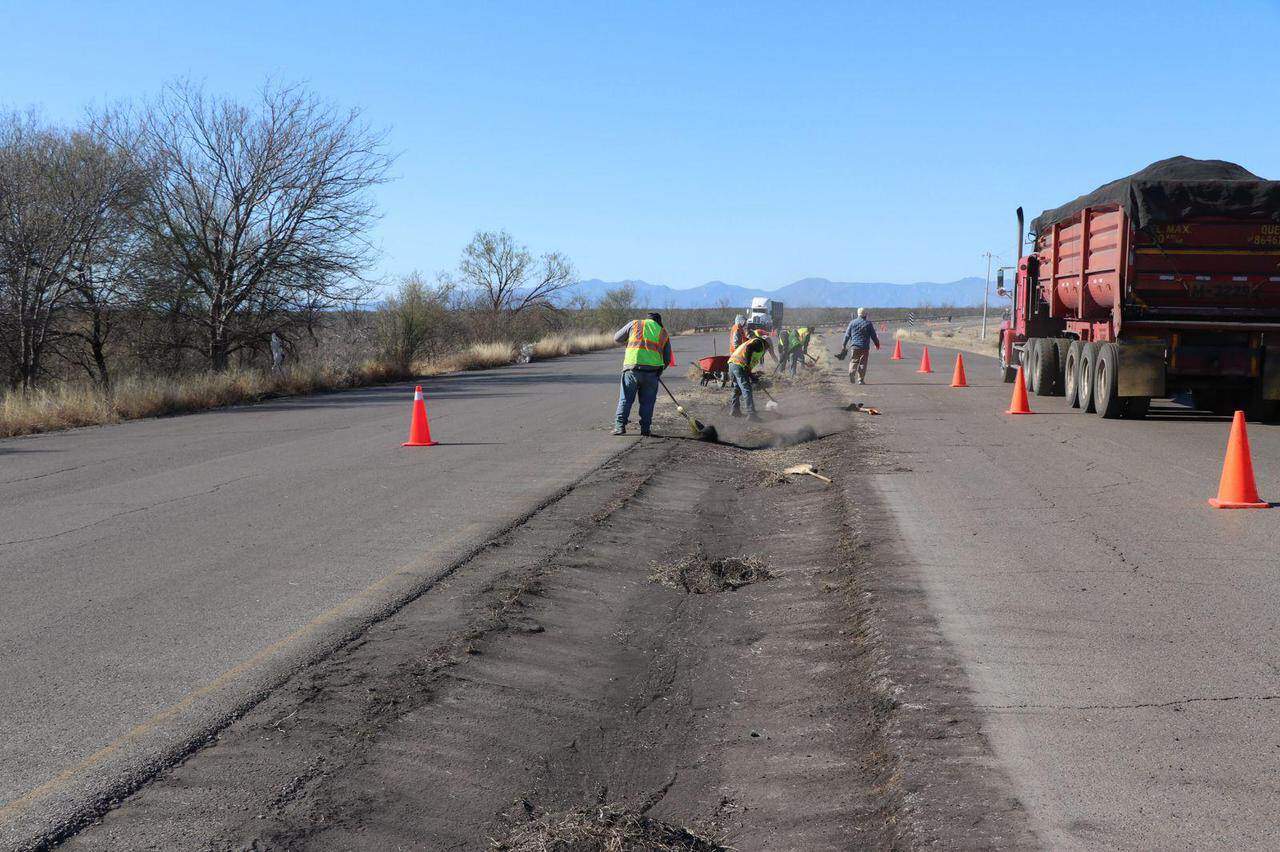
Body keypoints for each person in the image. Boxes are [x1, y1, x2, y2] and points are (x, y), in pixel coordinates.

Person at [612, 312, 673, 436]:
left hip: (631, 370)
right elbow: (667, 358)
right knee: (648, 402)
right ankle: (645, 429)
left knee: (626, 399)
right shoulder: (663, 332)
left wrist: (629, 339)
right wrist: (660, 370)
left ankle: (619, 427)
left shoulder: (634, 324)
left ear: (647, 319)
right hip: (652, 373)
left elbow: (617, 338)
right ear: (658, 321)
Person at [728, 330, 776, 420]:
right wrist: (746, 365)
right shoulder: (760, 343)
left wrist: (752, 376)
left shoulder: (755, 342)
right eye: (768, 347)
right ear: (767, 344)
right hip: (739, 365)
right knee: (747, 389)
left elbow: (748, 363)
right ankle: (751, 414)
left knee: (737, 388)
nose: (767, 350)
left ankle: (735, 410)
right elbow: (749, 348)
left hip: (732, 364)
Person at [842, 308, 880, 384]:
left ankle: (851, 372)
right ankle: (860, 380)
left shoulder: (852, 323)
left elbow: (847, 335)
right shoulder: (868, 323)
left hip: (854, 346)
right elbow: (873, 335)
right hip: (864, 347)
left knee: (853, 361)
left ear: (858, 314)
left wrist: (844, 345)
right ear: (865, 315)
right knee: (863, 363)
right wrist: (877, 344)